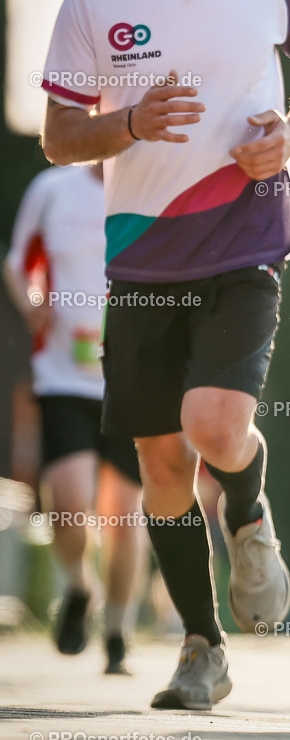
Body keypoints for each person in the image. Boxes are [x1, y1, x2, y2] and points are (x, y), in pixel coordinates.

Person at [40, 0, 290, 711]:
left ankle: (250, 517)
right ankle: (202, 645)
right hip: (139, 259)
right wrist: (127, 123)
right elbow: (60, 137)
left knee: (215, 425)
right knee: (163, 468)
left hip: (248, 234)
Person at [4, 163, 143, 674]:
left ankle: (118, 631)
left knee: (124, 519)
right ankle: (82, 589)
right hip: (63, 373)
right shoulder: (52, 189)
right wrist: (31, 305)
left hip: (132, 379)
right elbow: (17, 264)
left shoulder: (151, 181)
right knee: (68, 504)